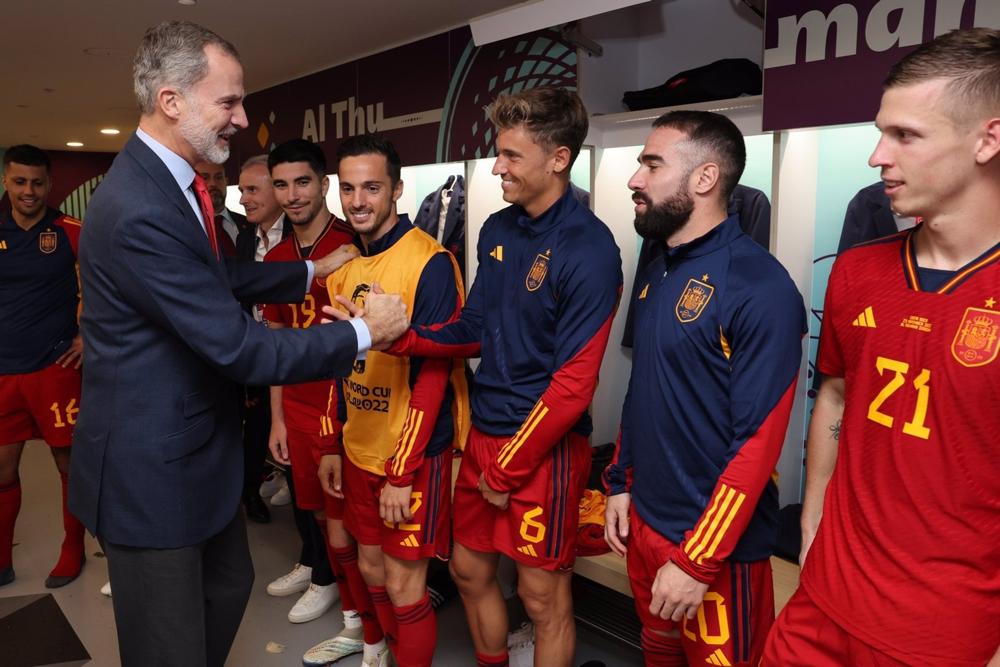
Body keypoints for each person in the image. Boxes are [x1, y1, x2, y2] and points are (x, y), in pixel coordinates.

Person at [68, 21, 407, 667]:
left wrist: (309, 269)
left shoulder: (167, 182)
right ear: (172, 101)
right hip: (152, 471)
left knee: (227, 586)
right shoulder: (140, 203)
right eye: (228, 102)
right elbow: (242, 348)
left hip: (193, 452)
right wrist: (366, 332)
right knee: (169, 644)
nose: (242, 118)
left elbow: (210, 276)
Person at [763, 28, 1000, 666]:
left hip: (939, 633)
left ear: (989, 138)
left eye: (905, 135)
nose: (877, 157)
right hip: (822, 599)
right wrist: (812, 518)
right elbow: (836, 391)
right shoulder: (858, 270)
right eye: (880, 132)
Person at [384, 87, 622, 667]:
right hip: (488, 432)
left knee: (543, 596)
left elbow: (573, 386)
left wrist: (507, 467)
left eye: (512, 156)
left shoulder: (590, 249)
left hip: (544, 447)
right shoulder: (496, 229)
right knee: (467, 569)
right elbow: (474, 326)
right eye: (500, 152)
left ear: (558, 159)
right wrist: (405, 338)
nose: (497, 167)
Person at [602, 111, 805, 667]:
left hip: (713, 548)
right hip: (645, 522)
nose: (634, 180)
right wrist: (619, 482)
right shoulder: (661, 268)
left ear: (704, 179)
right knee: (657, 655)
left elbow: (757, 445)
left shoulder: (758, 286)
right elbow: (644, 389)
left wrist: (697, 560)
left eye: (651, 163)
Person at [316, 134, 469, 667]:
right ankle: (378, 652)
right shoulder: (342, 268)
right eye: (350, 188)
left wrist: (401, 472)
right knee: (372, 568)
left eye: (372, 188)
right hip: (358, 448)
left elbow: (434, 372)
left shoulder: (429, 262)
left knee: (405, 586)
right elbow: (338, 365)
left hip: (411, 457)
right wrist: (332, 441)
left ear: (398, 190)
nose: (358, 200)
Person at [261, 139, 362, 637]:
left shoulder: (350, 245)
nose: (292, 194)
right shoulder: (279, 256)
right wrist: (276, 417)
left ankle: (340, 590)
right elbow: (276, 342)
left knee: (339, 511)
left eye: (302, 182)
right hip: (297, 401)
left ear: (324, 185)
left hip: (342, 401)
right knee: (309, 505)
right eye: (281, 184)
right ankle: (320, 571)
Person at [0, 144, 87, 589]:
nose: (28, 191)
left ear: (49, 185)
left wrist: (86, 334)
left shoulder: (71, 231)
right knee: (2, 468)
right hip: (3, 372)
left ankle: (73, 549)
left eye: (37, 182)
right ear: (6, 182)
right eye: (20, 181)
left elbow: (107, 285)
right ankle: (1, 557)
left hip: (55, 367)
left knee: (68, 463)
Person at [235, 153, 291, 523]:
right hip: (254, 353)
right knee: (255, 431)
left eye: (252, 190)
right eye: (242, 190)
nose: (243, 199)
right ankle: (249, 493)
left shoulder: (297, 237)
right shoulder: (243, 239)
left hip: (289, 355)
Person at [194, 159, 246, 256]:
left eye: (218, 177)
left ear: (226, 181)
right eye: (205, 178)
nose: (213, 184)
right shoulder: (189, 226)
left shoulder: (249, 224)